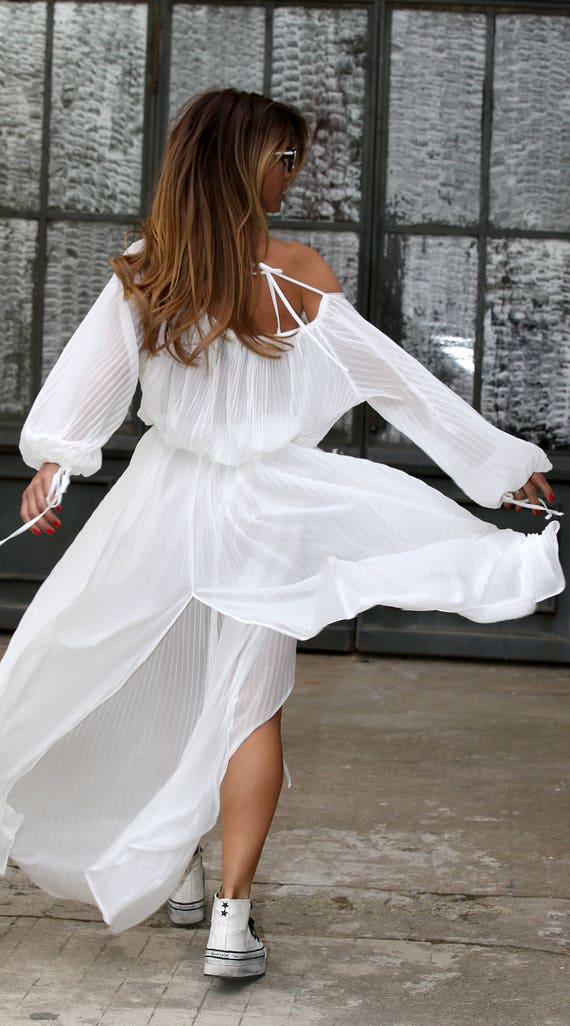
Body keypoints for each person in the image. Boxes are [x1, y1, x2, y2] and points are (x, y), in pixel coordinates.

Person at [0, 89, 564, 980]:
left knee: (154, 673)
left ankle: (187, 876)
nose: (291, 176)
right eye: (282, 158)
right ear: (238, 162)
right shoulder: (299, 272)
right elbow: (401, 386)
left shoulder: (150, 270)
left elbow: (87, 392)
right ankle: (228, 916)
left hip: (165, 505)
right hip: (267, 508)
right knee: (244, 706)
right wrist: (494, 465)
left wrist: (55, 465)